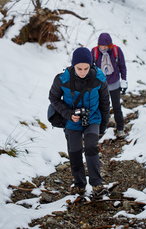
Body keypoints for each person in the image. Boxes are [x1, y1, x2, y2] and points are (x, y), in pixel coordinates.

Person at [49, 47, 110, 198]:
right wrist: (69, 114)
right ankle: (79, 185)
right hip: (72, 121)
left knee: (91, 146)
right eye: (79, 68)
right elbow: (54, 99)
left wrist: (103, 126)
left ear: (91, 66)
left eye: (86, 68)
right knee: (74, 153)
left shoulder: (99, 78)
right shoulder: (62, 79)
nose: (83, 72)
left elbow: (104, 103)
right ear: (73, 66)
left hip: (93, 118)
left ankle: (97, 185)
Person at [91, 33, 127, 138]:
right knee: (100, 107)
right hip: (100, 85)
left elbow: (122, 66)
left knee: (116, 107)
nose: (104, 48)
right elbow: (90, 68)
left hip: (114, 83)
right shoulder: (94, 52)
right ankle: (100, 130)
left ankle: (120, 128)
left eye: (106, 45)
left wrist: (124, 80)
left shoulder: (116, 51)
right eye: (102, 45)